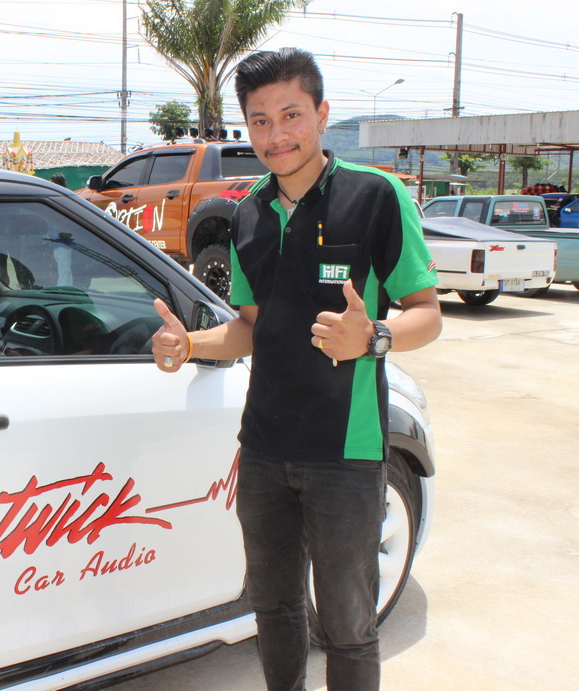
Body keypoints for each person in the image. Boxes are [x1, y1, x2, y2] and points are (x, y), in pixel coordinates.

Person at [151, 47, 442, 691]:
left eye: (291, 115)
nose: (276, 134)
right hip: (263, 450)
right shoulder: (248, 213)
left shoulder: (376, 197)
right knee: (274, 610)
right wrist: (189, 345)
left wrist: (374, 336)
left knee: (347, 625)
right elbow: (252, 328)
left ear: (321, 114)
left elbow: (428, 313)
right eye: (260, 121)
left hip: (345, 452)